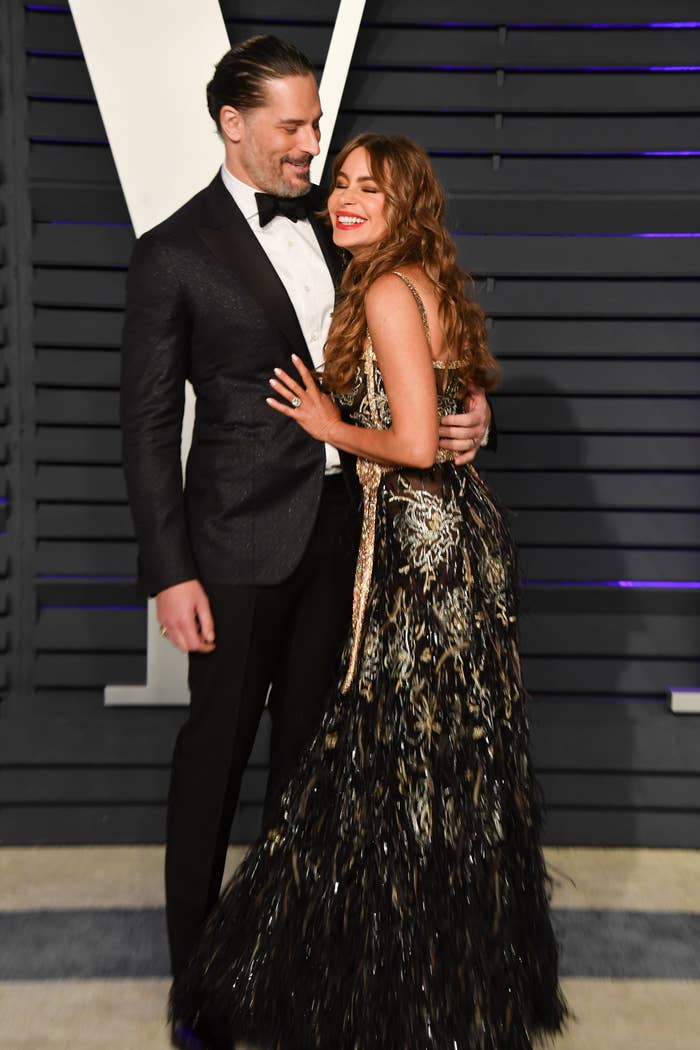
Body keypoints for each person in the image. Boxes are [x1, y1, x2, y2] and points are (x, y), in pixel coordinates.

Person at [120, 36, 491, 1049]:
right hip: (233, 550)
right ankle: (197, 993)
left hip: (349, 537)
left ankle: (283, 965)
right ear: (233, 125)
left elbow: (424, 324)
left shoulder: (341, 228)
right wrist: (170, 571)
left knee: (311, 772)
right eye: (292, 126)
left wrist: (472, 411)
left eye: (316, 124)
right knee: (214, 767)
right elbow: (149, 428)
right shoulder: (172, 252)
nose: (310, 145)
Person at [170, 133, 567, 1050]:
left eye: (367, 190)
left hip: (423, 563)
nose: (344, 198)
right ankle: (433, 990)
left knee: (397, 770)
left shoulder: (387, 289)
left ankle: (371, 988)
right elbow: (453, 404)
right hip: (444, 548)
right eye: (338, 182)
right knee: (434, 771)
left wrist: (328, 424)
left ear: (406, 205)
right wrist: (471, 412)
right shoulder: (415, 276)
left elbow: (420, 444)